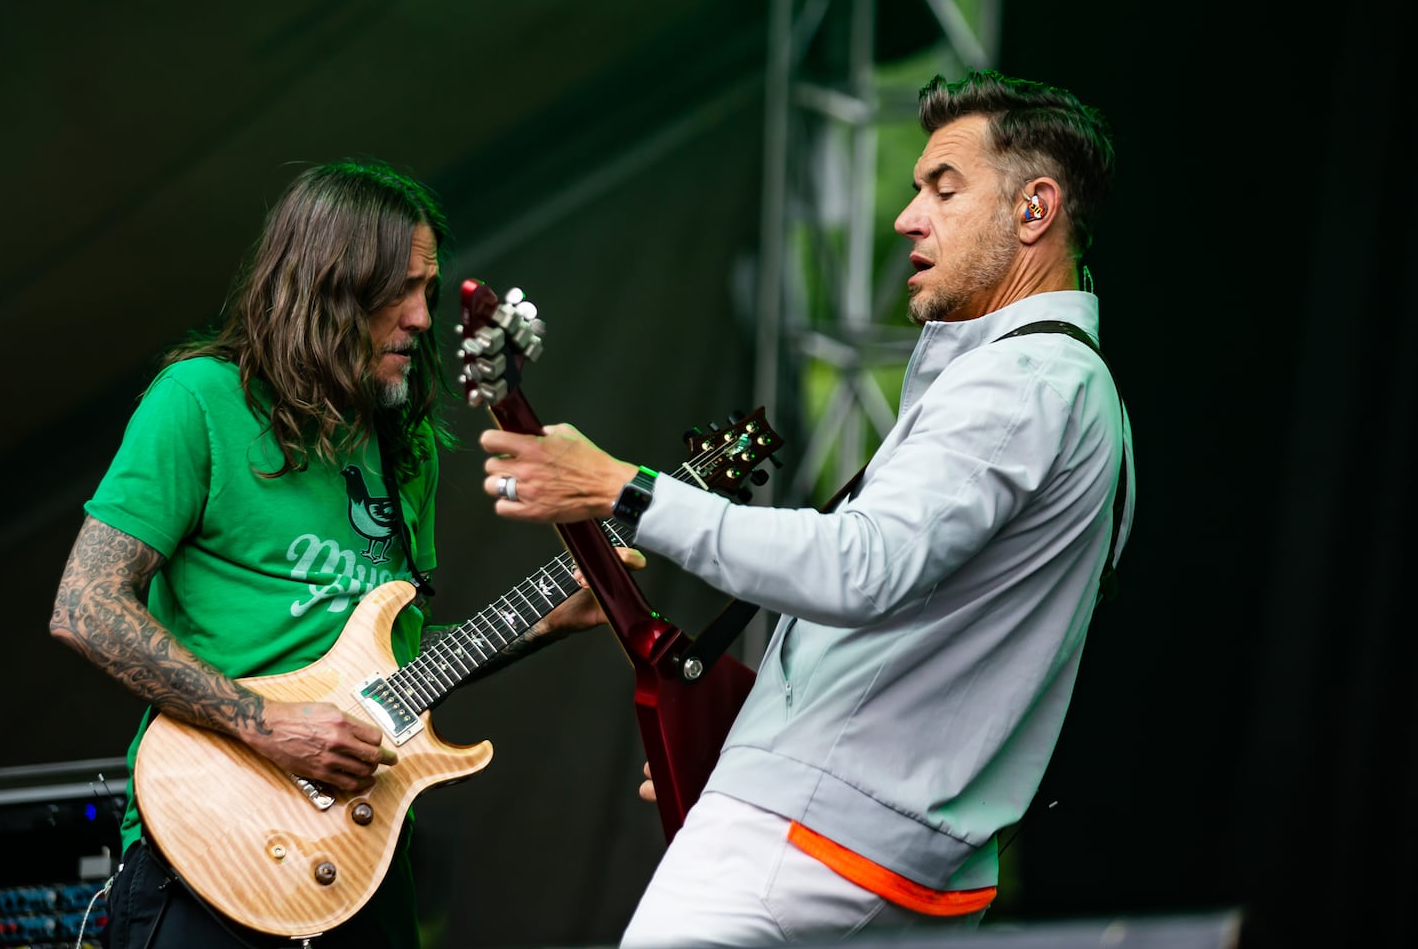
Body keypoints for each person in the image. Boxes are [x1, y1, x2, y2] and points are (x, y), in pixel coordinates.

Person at [476, 69, 1134, 946]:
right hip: (893, 862)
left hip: (813, 848)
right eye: (914, 191)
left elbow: (859, 566)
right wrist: (747, 739)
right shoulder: (1079, 396)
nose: (907, 217)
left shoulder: (1018, 382)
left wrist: (619, 488)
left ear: (1033, 210)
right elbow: (940, 635)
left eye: (944, 188)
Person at [49, 160, 624, 949]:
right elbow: (84, 608)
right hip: (213, 845)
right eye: (402, 289)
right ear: (329, 286)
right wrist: (266, 724)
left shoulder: (406, 446)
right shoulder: (199, 402)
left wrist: (541, 625)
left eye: (430, 287)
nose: (424, 319)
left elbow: (394, 677)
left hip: (361, 856)